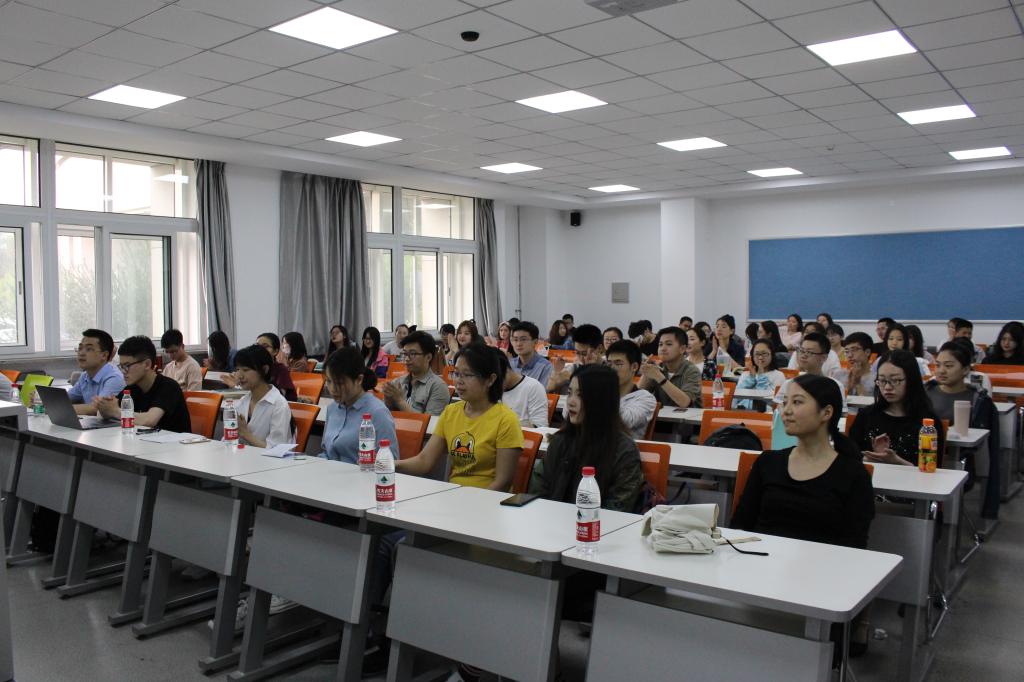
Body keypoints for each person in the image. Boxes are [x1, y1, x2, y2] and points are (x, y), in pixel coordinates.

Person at [733, 373, 874, 549]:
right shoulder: (768, 462)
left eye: (797, 402)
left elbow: (854, 546)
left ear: (826, 412)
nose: (786, 411)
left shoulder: (853, 474)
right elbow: (740, 527)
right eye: (785, 402)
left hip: (821, 564)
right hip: (761, 559)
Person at [397, 344, 523, 490]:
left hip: (488, 498)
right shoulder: (451, 412)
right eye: (456, 373)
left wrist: (472, 502)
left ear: (490, 380)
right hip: (454, 494)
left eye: (468, 375)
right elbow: (424, 461)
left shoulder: (506, 420)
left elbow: (503, 482)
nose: (459, 381)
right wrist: (390, 464)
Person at [531, 364, 645, 512]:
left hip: (597, 524)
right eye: (569, 393)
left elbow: (618, 508)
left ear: (601, 400)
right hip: (552, 519)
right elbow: (538, 492)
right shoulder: (561, 441)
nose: (570, 402)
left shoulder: (624, 450)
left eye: (580, 395)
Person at [927, 340, 1001, 518]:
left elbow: (984, 446)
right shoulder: (926, 393)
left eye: (949, 366)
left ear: (966, 369)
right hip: (921, 456)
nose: (941, 370)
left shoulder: (979, 400)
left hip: (957, 461)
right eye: (938, 365)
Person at [850, 350, 944, 467]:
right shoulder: (866, 415)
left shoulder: (928, 424)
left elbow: (931, 469)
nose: (887, 387)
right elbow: (849, 458)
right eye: (882, 381)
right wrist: (869, 459)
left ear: (911, 380)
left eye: (895, 380)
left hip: (912, 479)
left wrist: (897, 462)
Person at [95, 336, 191, 433]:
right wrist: (104, 408)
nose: (123, 371)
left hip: (174, 441)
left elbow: (149, 420)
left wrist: (115, 411)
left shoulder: (169, 387)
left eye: (127, 366)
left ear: (147, 364)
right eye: (121, 366)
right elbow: (110, 410)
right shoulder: (132, 388)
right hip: (145, 440)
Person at [319, 346, 397, 463]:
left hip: (361, 473)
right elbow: (326, 452)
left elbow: (390, 461)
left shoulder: (378, 413)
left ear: (359, 379)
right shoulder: (332, 408)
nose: (333, 389)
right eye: (329, 381)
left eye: (340, 383)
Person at [232, 345, 294, 449]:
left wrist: (245, 434)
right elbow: (230, 439)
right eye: (237, 369)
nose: (240, 375)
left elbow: (276, 450)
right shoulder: (243, 401)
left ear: (264, 369)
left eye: (246, 370)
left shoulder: (278, 405)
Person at [380, 331, 450, 416]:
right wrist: (388, 401)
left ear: (428, 357)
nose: (406, 359)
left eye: (412, 354)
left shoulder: (438, 387)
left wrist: (399, 401)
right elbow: (385, 416)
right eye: (405, 353)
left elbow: (429, 422)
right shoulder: (397, 382)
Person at [776, 332, 847, 406]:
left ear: (823, 357)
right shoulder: (789, 383)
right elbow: (778, 409)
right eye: (802, 351)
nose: (803, 355)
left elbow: (840, 412)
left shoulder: (835, 386)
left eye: (809, 352)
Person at [638, 326, 702, 408]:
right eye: (660, 344)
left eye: (669, 344)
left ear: (682, 349)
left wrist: (659, 377)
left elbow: (684, 402)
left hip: (688, 416)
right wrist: (646, 373)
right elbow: (636, 397)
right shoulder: (657, 368)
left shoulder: (692, 371)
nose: (663, 348)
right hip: (662, 415)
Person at [68, 329, 126, 415]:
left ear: (104, 355)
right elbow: (66, 398)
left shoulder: (114, 378)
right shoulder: (84, 376)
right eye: (80, 348)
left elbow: (99, 409)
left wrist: (59, 408)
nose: (81, 353)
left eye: (89, 349)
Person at [606, 340, 656, 439]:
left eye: (619, 364)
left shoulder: (645, 398)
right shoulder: (603, 393)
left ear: (634, 367)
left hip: (623, 448)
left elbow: (624, 421)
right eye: (609, 364)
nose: (612, 369)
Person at [497, 349, 548, 428]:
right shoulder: (489, 389)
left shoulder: (533, 387)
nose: (491, 384)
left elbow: (540, 426)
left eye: (495, 379)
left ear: (506, 370)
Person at [547, 323, 603, 393]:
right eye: (577, 352)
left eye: (584, 353)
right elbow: (548, 389)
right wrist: (556, 373)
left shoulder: (609, 370)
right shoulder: (574, 368)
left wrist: (591, 369)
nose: (581, 358)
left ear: (599, 349)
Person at [733, 339, 785, 410]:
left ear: (772, 354)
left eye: (764, 353)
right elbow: (736, 398)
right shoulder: (746, 375)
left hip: (765, 413)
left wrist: (761, 376)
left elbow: (772, 402)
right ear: (752, 356)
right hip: (742, 411)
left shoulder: (779, 375)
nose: (760, 357)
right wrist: (751, 379)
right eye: (757, 354)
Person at [510, 321, 553, 388]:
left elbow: (540, 392)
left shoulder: (545, 366)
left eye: (523, 339)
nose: (518, 344)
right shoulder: (510, 364)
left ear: (535, 342)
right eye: (515, 340)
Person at [835, 332, 876, 398]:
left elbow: (871, 404)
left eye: (854, 350)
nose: (849, 355)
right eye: (847, 351)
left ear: (867, 352)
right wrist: (849, 387)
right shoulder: (839, 375)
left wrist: (858, 383)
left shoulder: (876, 379)